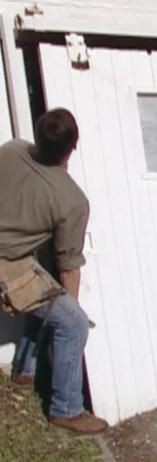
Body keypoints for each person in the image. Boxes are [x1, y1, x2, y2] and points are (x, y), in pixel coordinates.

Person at [0, 108, 108, 433]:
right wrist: (71, 305)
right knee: (72, 322)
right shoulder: (71, 200)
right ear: (72, 147)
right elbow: (69, 267)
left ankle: (24, 371)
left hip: (16, 260)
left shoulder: (11, 149)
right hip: (7, 264)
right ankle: (67, 409)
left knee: (46, 297)